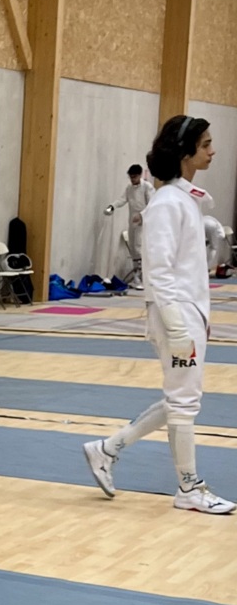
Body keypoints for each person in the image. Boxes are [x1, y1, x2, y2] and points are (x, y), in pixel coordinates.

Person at [83, 116, 235, 514]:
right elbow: (159, 272)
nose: (213, 151)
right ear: (185, 152)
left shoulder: (184, 199)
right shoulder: (167, 203)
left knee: (181, 399)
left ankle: (107, 449)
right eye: (205, 144)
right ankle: (189, 488)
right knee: (183, 403)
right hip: (175, 314)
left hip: (189, 312)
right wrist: (177, 327)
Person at [103, 164, 155, 289]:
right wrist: (112, 206)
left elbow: (153, 205)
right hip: (133, 222)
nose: (132, 180)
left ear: (140, 175)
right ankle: (137, 277)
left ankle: (143, 278)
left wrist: (141, 215)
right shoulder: (129, 188)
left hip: (145, 222)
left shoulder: (147, 187)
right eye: (131, 177)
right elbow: (122, 199)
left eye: (134, 177)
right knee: (133, 248)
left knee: (139, 247)